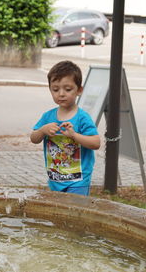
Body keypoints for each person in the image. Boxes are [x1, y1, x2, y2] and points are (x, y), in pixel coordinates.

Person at [30, 60, 100, 196]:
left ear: (79, 90)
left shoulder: (82, 118)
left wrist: (74, 135)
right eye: (55, 89)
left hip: (78, 181)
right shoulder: (48, 116)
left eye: (67, 89)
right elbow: (33, 138)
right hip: (55, 180)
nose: (61, 94)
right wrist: (43, 130)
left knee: (74, 213)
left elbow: (96, 143)